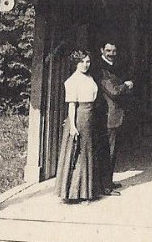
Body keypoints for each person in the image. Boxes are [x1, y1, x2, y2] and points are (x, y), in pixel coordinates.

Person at [55, 50, 100, 203]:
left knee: (88, 153)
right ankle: (74, 193)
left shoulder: (89, 77)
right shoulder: (72, 81)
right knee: (79, 154)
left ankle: (86, 191)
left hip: (90, 117)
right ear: (76, 63)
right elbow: (72, 105)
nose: (85, 65)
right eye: (82, 62)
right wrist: (73, 126)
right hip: (80, 117)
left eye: (87, 61)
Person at [91, 40, 134, 192]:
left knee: (113, 150)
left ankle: (108, 181)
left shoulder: (114, 66)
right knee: (108, 151)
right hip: (108, 115)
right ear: (101, 50)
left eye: (114, 51)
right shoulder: (100, 69)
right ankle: (106, 186)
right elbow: (114, 91)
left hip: (115, 114)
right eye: (108, 51)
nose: (111, 54)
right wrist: (126, 86)